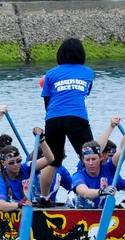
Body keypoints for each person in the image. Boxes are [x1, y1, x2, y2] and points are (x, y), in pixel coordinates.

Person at [38, 37, 96, 206]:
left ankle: (43, 198)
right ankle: (88, 195)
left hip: (53, 118)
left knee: (53, 161)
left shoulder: (51, 74)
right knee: (89, 156)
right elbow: (85, 94)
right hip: (77, 117)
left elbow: (47, 102)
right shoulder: (88, 72)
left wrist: (53, 120)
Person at [67, 120, 125, 209]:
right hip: (77, 214)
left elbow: (124, 149)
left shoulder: (109, 170)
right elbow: (85, 193)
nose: (91, 163)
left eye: (94, 159)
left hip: (100, 213)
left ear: (101, 157)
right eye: (87, 160)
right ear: (83, 160)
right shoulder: (79, 176)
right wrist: (102, 192)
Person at [0, 131, 55, 213]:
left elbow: (49, 159)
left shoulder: (25, 167)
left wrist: (42, 140)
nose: (16, 165)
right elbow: (0, 205)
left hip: (26, 209)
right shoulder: (0, 181)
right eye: (11, 162)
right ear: (3, 163)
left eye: (19, 161)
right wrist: (19, 205)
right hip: (9, 213)